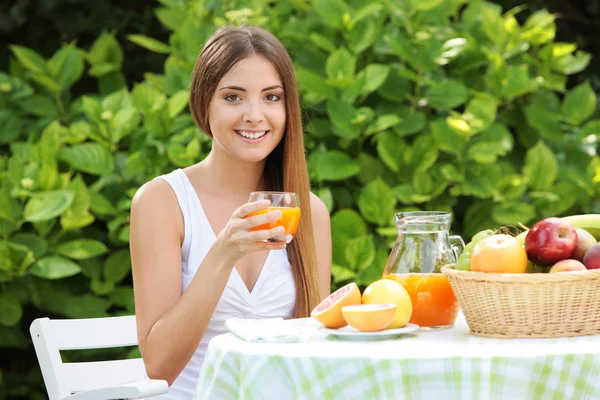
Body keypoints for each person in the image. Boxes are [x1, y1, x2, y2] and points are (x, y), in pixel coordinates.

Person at [129, 25, 332, 398]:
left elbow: (315, 351)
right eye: (234, 97)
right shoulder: (162, 202)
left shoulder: (310, 212)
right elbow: (158, 366)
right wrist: (224, 252)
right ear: (203, 103)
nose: (255, 115)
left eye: (271, 97)